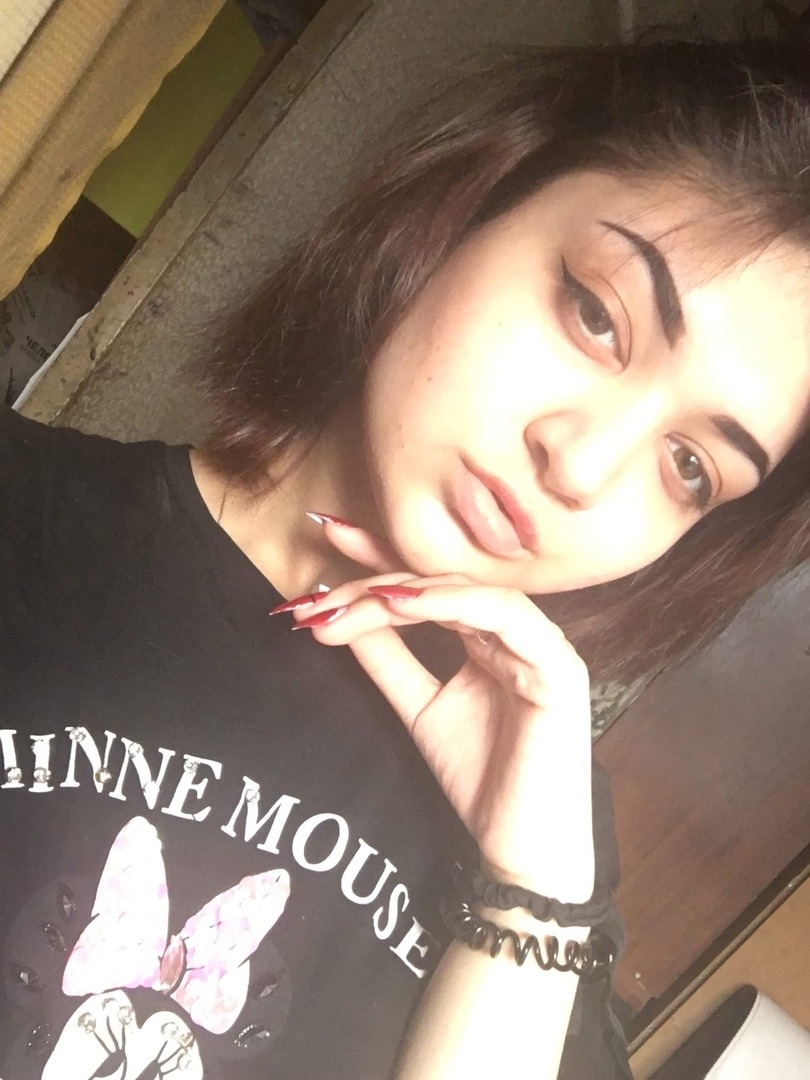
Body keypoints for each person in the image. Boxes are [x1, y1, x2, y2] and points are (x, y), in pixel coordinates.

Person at [1, 35, 809, 1080]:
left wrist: (530, 900)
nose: (582, 465)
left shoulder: (550, 832)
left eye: (690, 467)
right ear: (469, 209)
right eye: (595, 312)